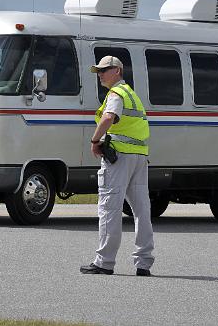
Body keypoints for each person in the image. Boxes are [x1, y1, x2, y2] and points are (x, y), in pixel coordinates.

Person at [80, 56, 154, 277]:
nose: (100, 74)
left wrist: (95, 141)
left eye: (105, 70)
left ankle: (104, 262)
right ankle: (144, 263)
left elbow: (109, 117)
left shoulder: (116, 94)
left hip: (120, 158)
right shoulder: (132, 94)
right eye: (99, 71)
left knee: (109, 208)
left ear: (118, 71)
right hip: (139, 157)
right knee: (142, 211)